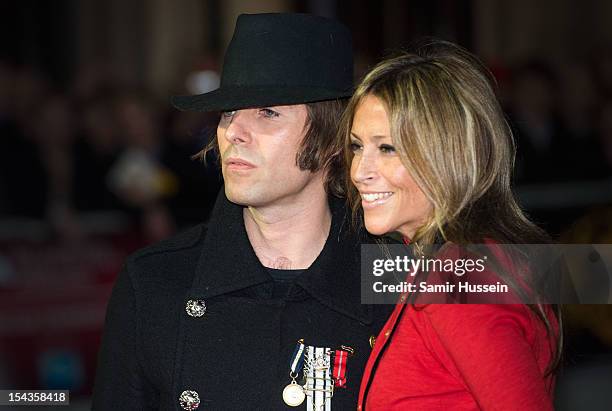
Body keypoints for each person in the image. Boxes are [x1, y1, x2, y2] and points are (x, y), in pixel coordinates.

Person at [92, 13, 391, 410]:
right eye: (228, 113)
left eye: (267, 112)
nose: (232, 131)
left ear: (333, 135)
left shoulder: (395, 274)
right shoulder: (154, 281)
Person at [340, 40, 561, 410]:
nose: (359, 171)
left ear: (447, 155)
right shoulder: (456, 263)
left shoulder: (460, 278)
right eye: (357, 146)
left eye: (387, 148)